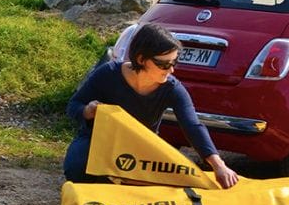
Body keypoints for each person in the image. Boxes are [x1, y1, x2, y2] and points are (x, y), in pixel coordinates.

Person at [63, 23, 239, 188]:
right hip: (99, 139)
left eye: (174, 62)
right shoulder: (108, 73)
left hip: (142, 144)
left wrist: (218, 165)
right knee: (76, 169)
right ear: (141, 59)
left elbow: (193, 126)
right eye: (163, 64)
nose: (171, 70)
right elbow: (73, 105)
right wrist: (87, 111)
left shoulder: (172, 88)